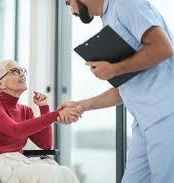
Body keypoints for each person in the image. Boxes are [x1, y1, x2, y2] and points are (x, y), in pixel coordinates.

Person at [64, 0, 174, 183]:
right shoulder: (109, 20)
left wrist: (114, 69)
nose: (71, 10)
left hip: (166, 116)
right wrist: (82, 106)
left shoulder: (126, 4)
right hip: (144, 123)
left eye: (68, 3)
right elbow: (127, 88)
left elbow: (164, 48)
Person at [0, 59, 80, 183]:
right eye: (14, 71)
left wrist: (44, 107)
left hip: (19, 161)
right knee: (49, 172)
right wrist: (56, 114)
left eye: (22, 71)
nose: (22, 74)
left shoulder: (26, 111)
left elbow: (45, 144)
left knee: (66, 173)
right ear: (0, 84)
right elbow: (14, 130)